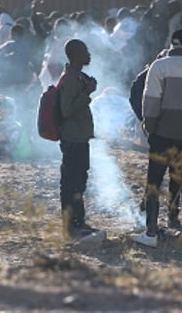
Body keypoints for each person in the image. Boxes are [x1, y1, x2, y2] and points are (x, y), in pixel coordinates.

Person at [134, 29, 182, 248]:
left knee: (154, 183)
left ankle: (150, 233)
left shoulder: (158, 67)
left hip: (161, 134)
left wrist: (150, 128)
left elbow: (150, 104)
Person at [57, 39, 104, 242]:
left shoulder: (77, 77)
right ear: (76, 55)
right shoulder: (70, 79)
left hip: (79, 138)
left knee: (79, 182)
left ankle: (78, 221)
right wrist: (86, 93)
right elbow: (67, 110)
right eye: (85, 50)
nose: (89, 54)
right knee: (71, 183)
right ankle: (71, 225)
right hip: (72, 139)